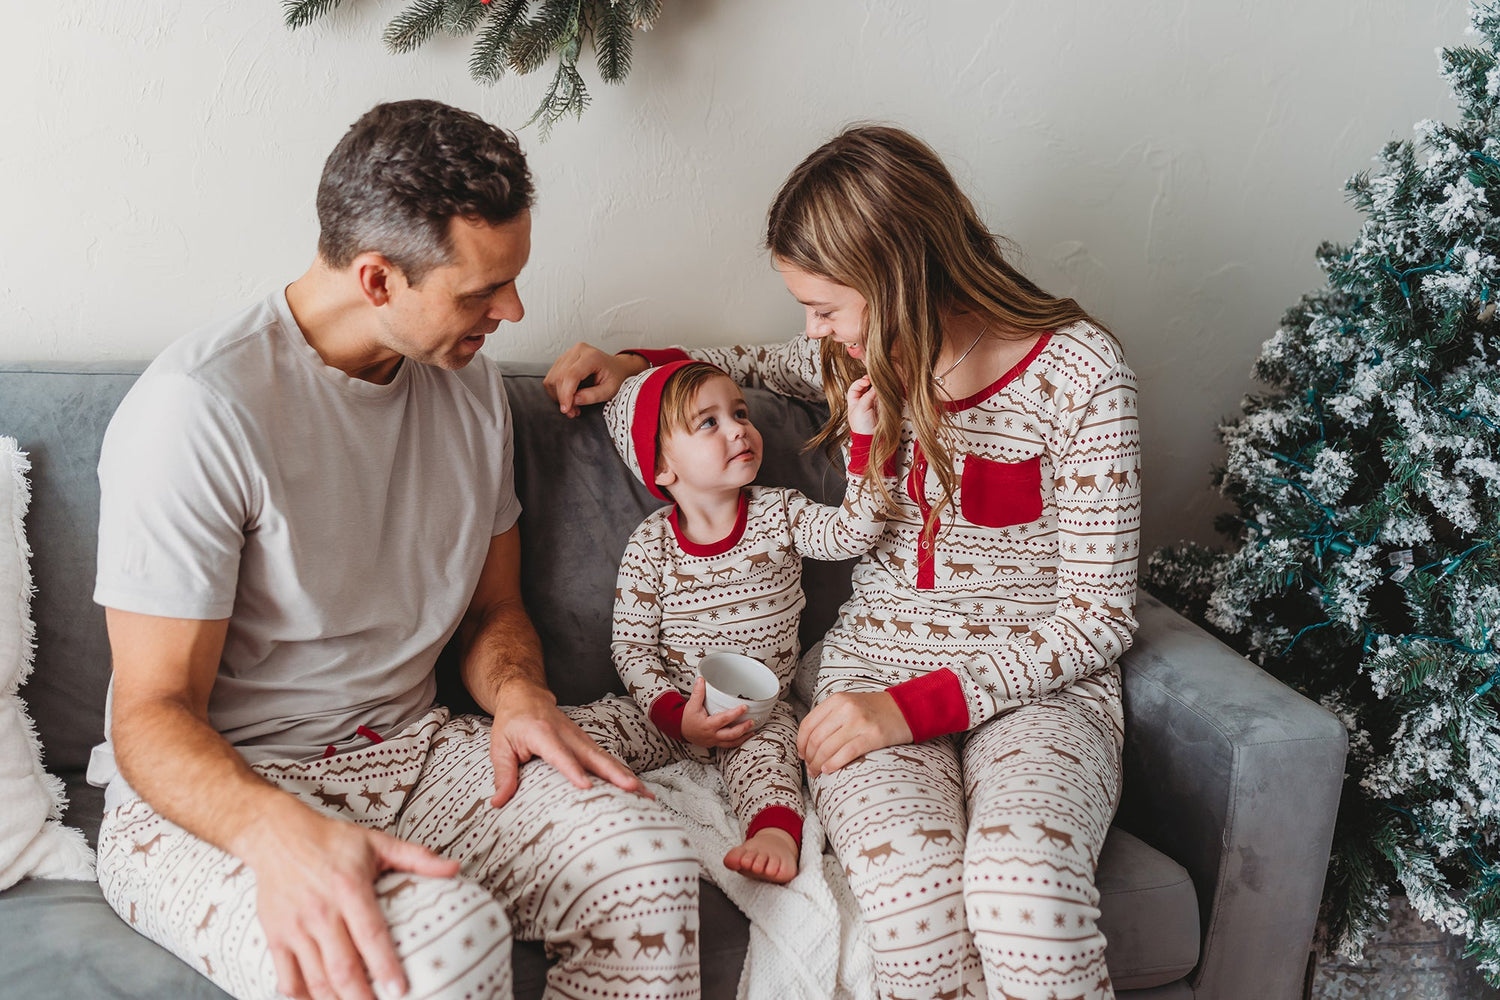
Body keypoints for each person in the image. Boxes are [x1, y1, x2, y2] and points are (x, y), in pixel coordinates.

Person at [88, 99, 703, 1000]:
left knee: (649, 867)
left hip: (416, 752)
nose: (514, 309)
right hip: (224, 794)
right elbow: (151, 713)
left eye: (513, 279)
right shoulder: (198, 411)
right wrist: (275, 834)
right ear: (377, 279)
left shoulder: (469, 384)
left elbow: (495, 611)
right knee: (440, 949)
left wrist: (520, 693)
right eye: (482, 291)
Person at [544, 125, 1141, 1000]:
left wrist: (912, 709)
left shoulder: (1082, 374)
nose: (813, 331)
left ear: (899, 276)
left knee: (1024, 891)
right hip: (869, 674)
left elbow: (1100, 616)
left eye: (825, 306)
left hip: (1041, 692)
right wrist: (637, 363)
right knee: (909, 911)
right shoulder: (859, 360)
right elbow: (752, 363)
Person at [566, 360, 889, 884]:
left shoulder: (780, 513)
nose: (740, 427)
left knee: (776, 765)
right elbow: (631, 648)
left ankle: (773, 834)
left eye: (739, 412)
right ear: (663, 469)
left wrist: (865, 439)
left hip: (755, 718)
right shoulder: (652, 545)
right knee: (577, 732)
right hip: (669, 710)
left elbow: (853, 534)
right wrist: (674, 716)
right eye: (708, 422)